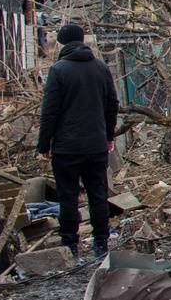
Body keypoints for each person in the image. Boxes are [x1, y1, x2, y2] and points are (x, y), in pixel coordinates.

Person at [35, 22, 118, 260]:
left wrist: (43, 146)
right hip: (95, 145)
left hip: (66, 148)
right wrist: (109, 136)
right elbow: (112, 104)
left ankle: (70, 245)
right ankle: (101, 244)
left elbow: (50, 111)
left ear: (60, 43)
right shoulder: (101, 68)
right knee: (98, 194)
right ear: (82, 41)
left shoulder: (59, 70)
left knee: (68, 196)